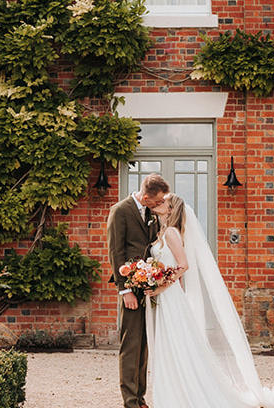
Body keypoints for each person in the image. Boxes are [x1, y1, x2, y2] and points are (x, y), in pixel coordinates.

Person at [144, 195, 274, 408]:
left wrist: (160, 285)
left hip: (170, 296)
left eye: (162, 202)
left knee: (176, 343)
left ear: (171, 208)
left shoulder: (170, 233)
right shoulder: (163, 232)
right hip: (165, 297)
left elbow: (183, 265)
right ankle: (173, 392)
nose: (158, 204)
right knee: (170, 344)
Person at [108, 173, 169, 408]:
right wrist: (125, 291)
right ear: (145, 197)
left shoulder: (151, 214)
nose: (159, 205)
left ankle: (140, 396)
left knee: (144, 344)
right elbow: (116, 252)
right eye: (157, 201)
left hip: (148, 286)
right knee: (131, 344)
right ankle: (130, 401)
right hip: (131, 288)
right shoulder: (120, 211)